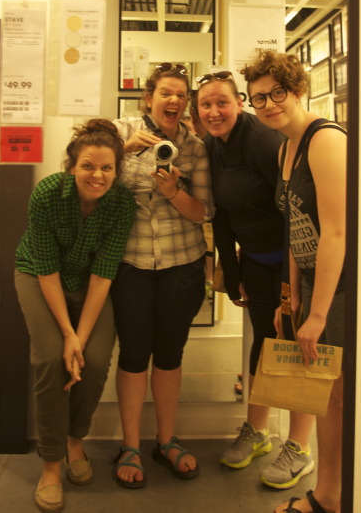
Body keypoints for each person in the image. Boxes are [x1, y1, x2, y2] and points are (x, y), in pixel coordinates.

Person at [195, 71, 315, 488]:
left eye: (222, 103)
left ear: (239, 103)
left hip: (291, 263)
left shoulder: (263, 140)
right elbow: (221, 216)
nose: (214, 112)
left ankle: (300, 446)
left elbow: (292, 212)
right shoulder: (212, 146)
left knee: (295, 346)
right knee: (264, 345)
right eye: (206, 104)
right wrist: (231, 274)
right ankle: (258, 431)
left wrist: (289, 285)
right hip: (256, 263)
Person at [241, 51, 347, 513]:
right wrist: (291, 300)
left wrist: (318, 314)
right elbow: (294, 229)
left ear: (298, 90)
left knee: (336, 396)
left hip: (340, 287)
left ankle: (329, 496)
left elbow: (337, 233)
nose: (268, 104)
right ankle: (329, 494)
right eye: (258, 98)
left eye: (277, 93)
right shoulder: (286, 148)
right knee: (328, 394)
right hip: (310, 281)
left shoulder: (326, 140)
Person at [14, 119, 136, 513]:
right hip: (39, 274)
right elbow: (47, 268)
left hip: (88, 281)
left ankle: (75, 440)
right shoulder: (48, 193)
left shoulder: (122, 203)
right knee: (51, 358)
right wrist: (68, 335)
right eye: (88, 166)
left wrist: (80, 340)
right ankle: (51, 464)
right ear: (71, 166)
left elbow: (103, 274)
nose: (97, 175)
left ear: (117, 171)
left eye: (106, 168)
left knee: (94, 358)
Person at [111, 63, 215, 489]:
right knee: (134, 353)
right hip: (131, 264)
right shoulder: (121, 131)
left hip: (182, 264)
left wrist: (173, 192)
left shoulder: (195, 147)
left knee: (170, 353)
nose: (174, 101)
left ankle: (166, 440)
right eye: (166, 93)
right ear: (149, 97)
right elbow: (82, 169)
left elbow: (203, 211)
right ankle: (130, 445)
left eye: (181, 95)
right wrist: (124, 149)